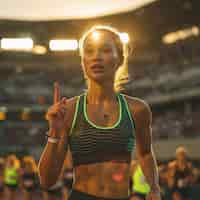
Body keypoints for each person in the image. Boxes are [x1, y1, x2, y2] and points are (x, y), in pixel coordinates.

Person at [38, 25, 161, 200]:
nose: (96, 57)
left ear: (119, 58)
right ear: (83, 61)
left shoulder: (137, 109)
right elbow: (46, 181)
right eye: (89, 51)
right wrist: (54, 133)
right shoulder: (70, 110)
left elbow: (145, 153)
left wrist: (154, 187)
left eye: (105, 50)